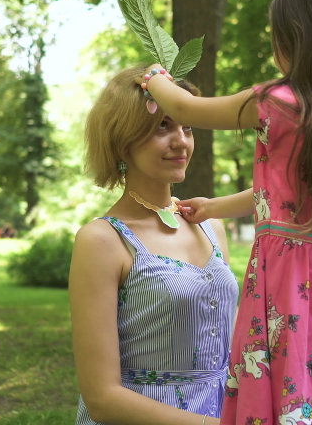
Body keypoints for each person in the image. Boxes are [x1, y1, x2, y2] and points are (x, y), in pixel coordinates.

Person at [138, 0, 312, 425]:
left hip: (291, 279)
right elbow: (286, 196)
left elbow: (185, 106)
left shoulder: (274, 101)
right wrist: (216, 207)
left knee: (289, 390)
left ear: (299, 38)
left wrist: (155, 75)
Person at [69, 66, 239, 425]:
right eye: (163, 126)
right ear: (122, 140)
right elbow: (101, 398)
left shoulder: (210, 226)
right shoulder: (102, 240)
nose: (181, 141)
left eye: (186, 126)